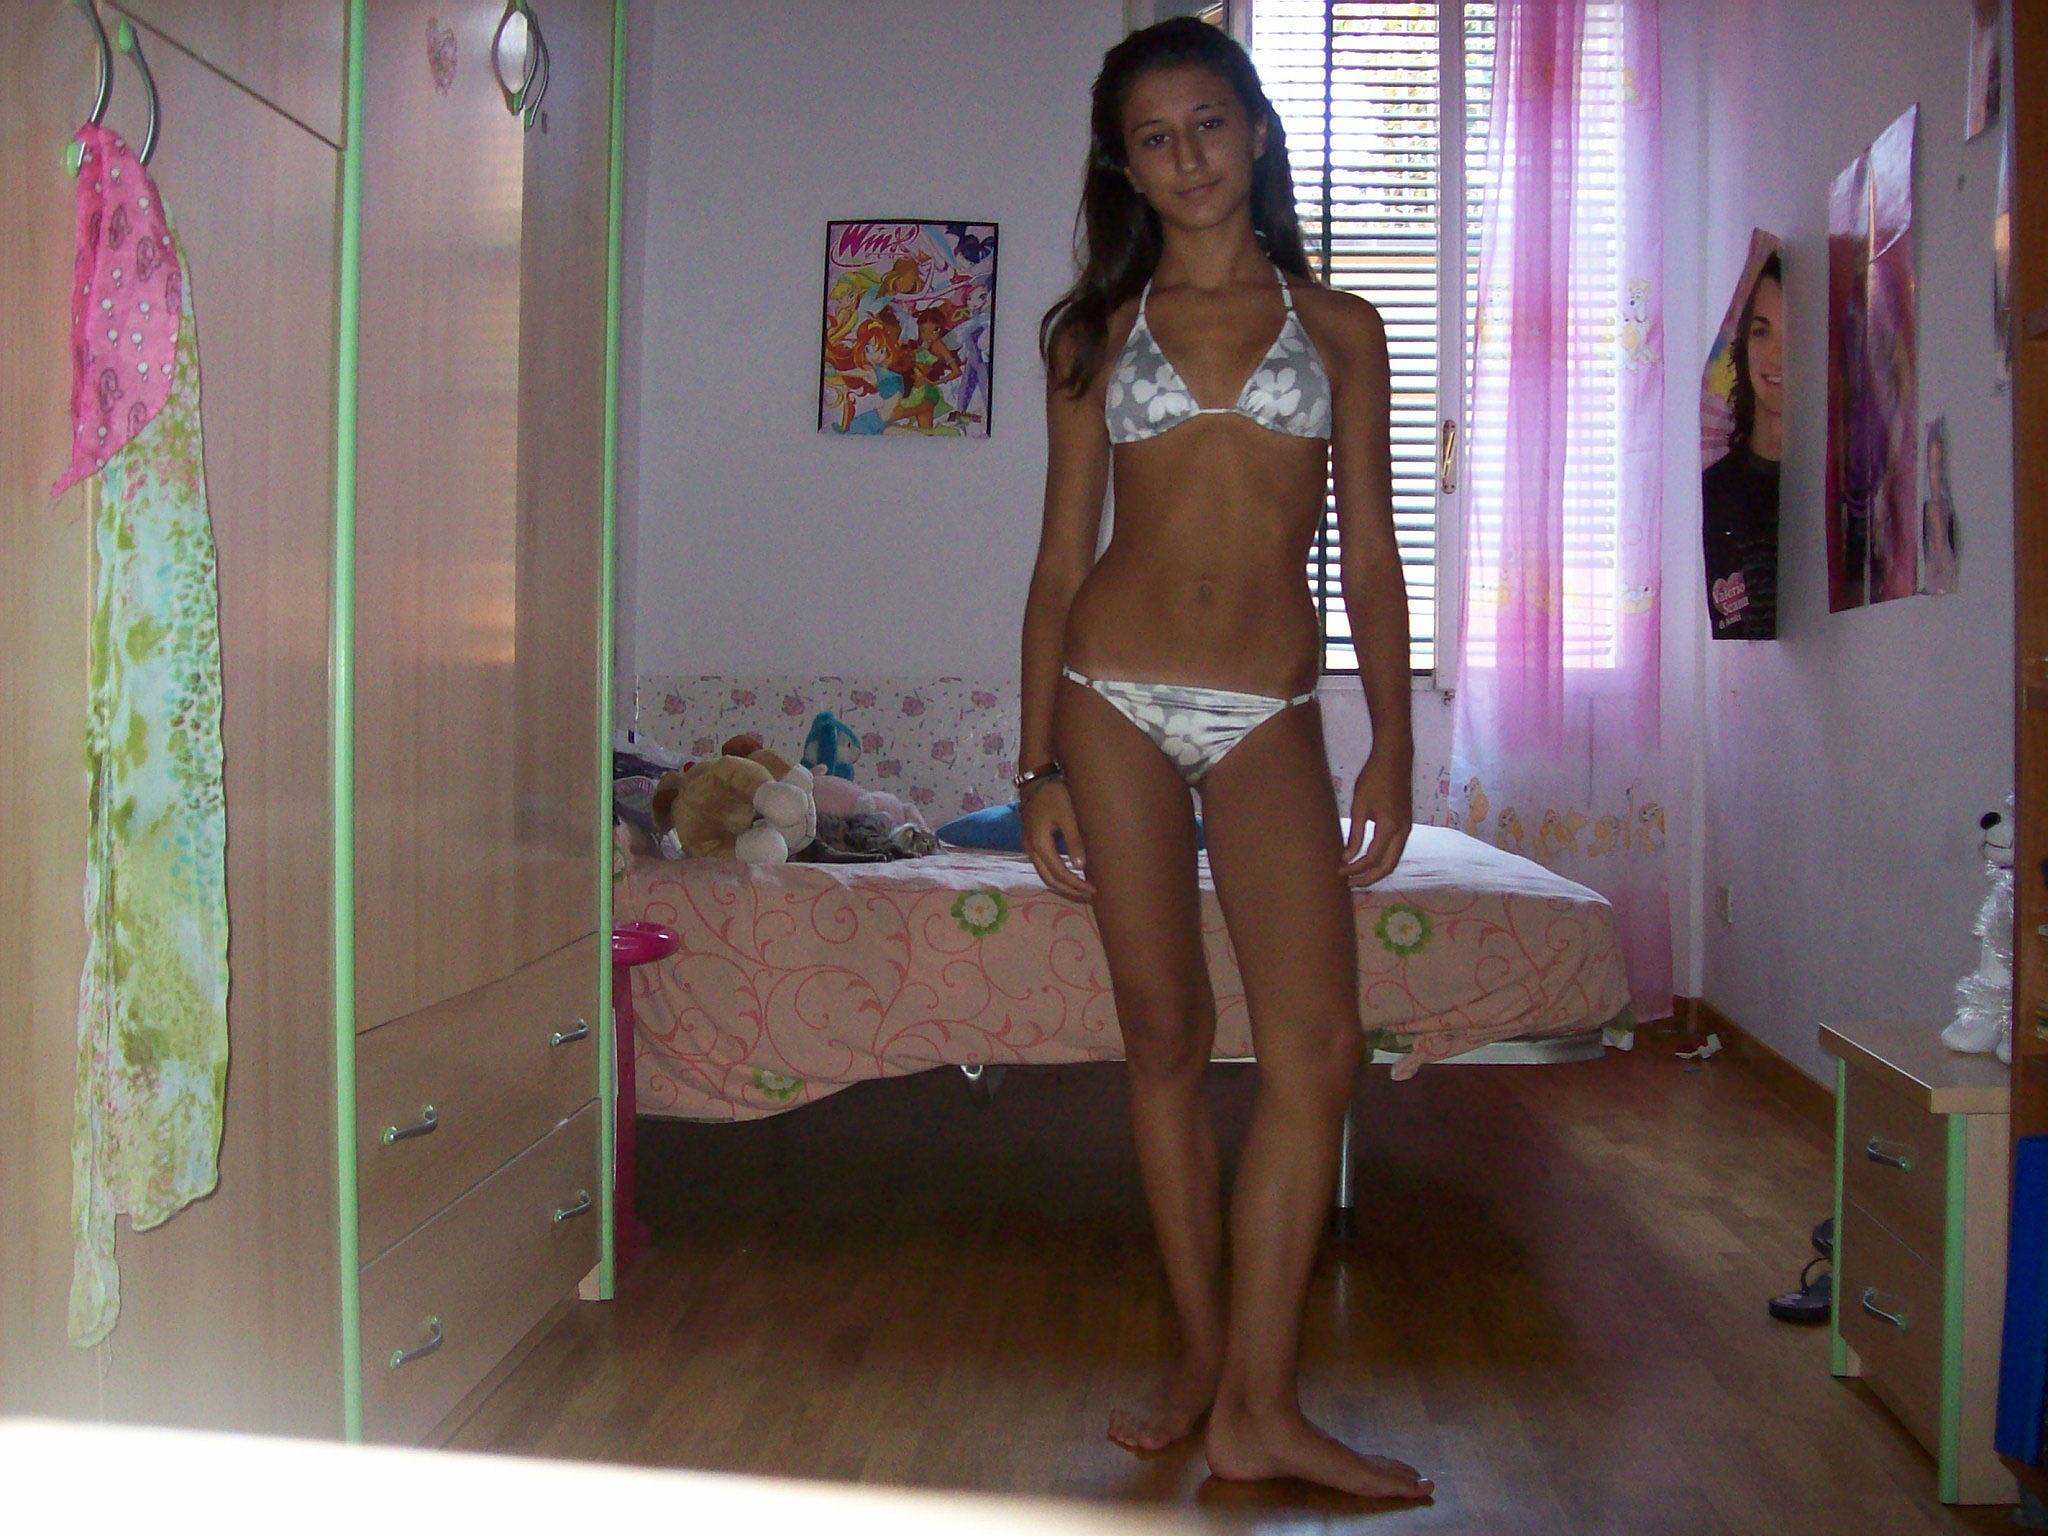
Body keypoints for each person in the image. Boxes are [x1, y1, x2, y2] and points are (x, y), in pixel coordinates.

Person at [1017, 18, 1426, 1501]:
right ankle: (1205, 1360)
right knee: (1166, 1035)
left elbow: (1368, 558)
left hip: (1269, 709)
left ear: (1255, 129)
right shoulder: (1093, 334)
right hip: (1108, 700)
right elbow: (1060, 561)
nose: (1186, 156)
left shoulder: (1341, 328)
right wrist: (1036, 765)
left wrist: (1391, 747)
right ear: (1124, 166)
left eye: (1207, 122)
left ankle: (1261, 1401)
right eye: (1154, 137)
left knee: (1317, 1048)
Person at [1702, 252, 1782, 638]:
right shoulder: (1719, 486)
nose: (1777, 355)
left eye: (1793, 334)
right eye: (1762, 332)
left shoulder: (1835, 488)